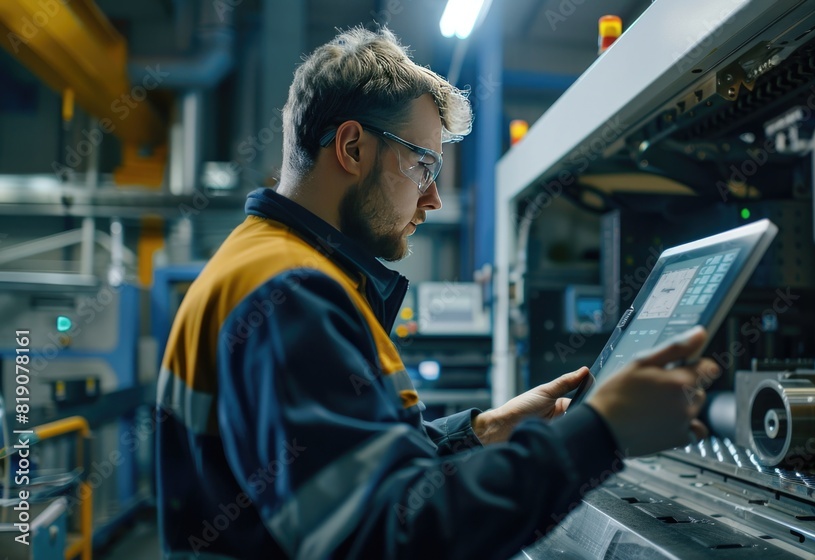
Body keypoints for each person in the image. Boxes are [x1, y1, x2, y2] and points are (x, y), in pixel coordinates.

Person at [155, 26, 719, 560]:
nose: (434, 201)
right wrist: (601, 435)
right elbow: (388, 536)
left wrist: (485, 433)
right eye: (423, 166)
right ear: (351, 147)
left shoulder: (268, 264)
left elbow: (351, 465)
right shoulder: (291, 294)